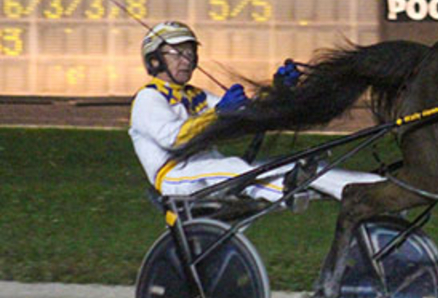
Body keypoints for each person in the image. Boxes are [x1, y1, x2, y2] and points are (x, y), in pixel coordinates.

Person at [129, 20, 383, 202]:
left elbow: (246, 113)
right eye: (176, 53)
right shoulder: (148, 99)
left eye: (190, 53)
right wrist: (218, 114)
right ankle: (287, 191)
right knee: (234, 168)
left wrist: (279, 91)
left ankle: (371, 189)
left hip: (209, 168)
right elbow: (174, 139)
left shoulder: (197, 95)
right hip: (175, 176)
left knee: (293, 164)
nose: (186, 60)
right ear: (154, 60)